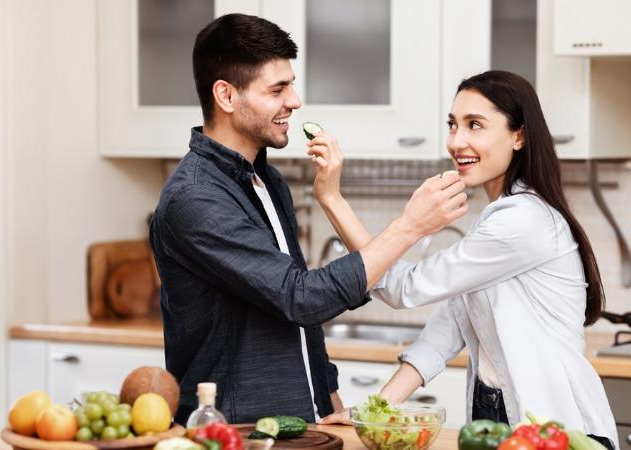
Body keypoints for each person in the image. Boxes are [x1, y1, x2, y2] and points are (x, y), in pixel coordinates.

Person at [149, 13, 468, 425]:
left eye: (292, 85)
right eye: (278, 89)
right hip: (234, 431)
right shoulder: (195, 197)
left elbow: (298, 313)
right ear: (226, 96)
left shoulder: (267, 179)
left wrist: (328, 395)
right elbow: (300, 296)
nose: (295, 101)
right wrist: (410, 226)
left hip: (297, 424)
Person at [311, 71, 617, 449]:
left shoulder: (522, 220)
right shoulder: (498, 219)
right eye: (453, 125)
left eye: (476, 125)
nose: (457, 141)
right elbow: (446, 331)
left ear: (519, 135)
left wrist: (334, 200)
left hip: (554, 424)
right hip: (495, 411)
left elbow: (400, 288)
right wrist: (374, 410)